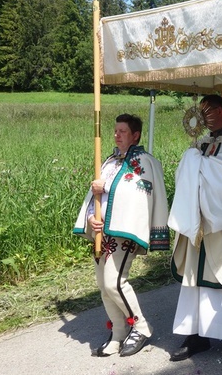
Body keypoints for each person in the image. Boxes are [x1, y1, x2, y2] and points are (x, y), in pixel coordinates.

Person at [168, 94, 222, 361]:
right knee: (193, 283)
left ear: (219, 112)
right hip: (200, 226)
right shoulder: (206, 141)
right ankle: (195, 336)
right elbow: (191, 176)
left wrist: (196, 163)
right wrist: (194, 161)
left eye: (205, 112)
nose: (202, 118)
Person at [74, 114, 169, 357]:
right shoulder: (108, 161)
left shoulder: (144, 161)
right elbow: (94, 197)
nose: (116, 135)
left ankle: (140, 326)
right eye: (115, 130)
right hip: (101, 233)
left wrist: (105, 187)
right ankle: (118, 331)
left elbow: (139, 193)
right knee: (103, 287)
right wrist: (91, 219)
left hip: (123, 233)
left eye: (122, 131)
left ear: (135, 135)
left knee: (114, 282)